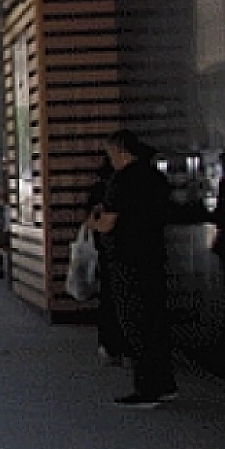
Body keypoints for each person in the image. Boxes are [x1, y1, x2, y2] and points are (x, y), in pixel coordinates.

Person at [87, 129, 175, 409]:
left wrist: (93, 222)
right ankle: (164, 383)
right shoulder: (155, 177)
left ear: (119, 150)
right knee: (156, 321)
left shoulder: (121, 180)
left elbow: (107, 224)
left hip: (127, 259)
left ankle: (147, 388)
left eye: (110, 152)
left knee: (136, 324)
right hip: (154, 257)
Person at [85, 154, 129, 366]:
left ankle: (111, 346)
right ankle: (128, 348)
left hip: (107, 251)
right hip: (132, 253)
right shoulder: (132, 187)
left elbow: (97, 223)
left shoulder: (101, 191)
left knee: (109, 300)